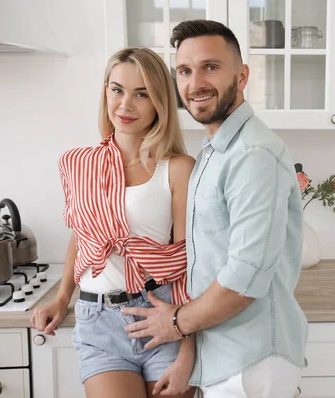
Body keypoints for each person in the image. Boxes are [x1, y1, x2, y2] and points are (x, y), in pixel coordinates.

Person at [121, 20, 308, 397]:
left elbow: (244, 279)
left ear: (241, 76)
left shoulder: (253, 155)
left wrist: (175, 323)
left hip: (251, 362)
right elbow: (203, 267)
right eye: (185, 71)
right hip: (225, 356)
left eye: (210, 67)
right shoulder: (214, 153)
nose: (195, 83)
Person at [31, 47, 196, 398]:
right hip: (98, 322)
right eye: (117, 90)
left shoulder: (178, 168)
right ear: (105, 91)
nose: (125, 105)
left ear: (159, 103)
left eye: (142, 94)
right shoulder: (79, 163)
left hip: (160, 313)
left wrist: (188, 349)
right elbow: (83, 237)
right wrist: (62, 298)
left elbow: (186, 264)